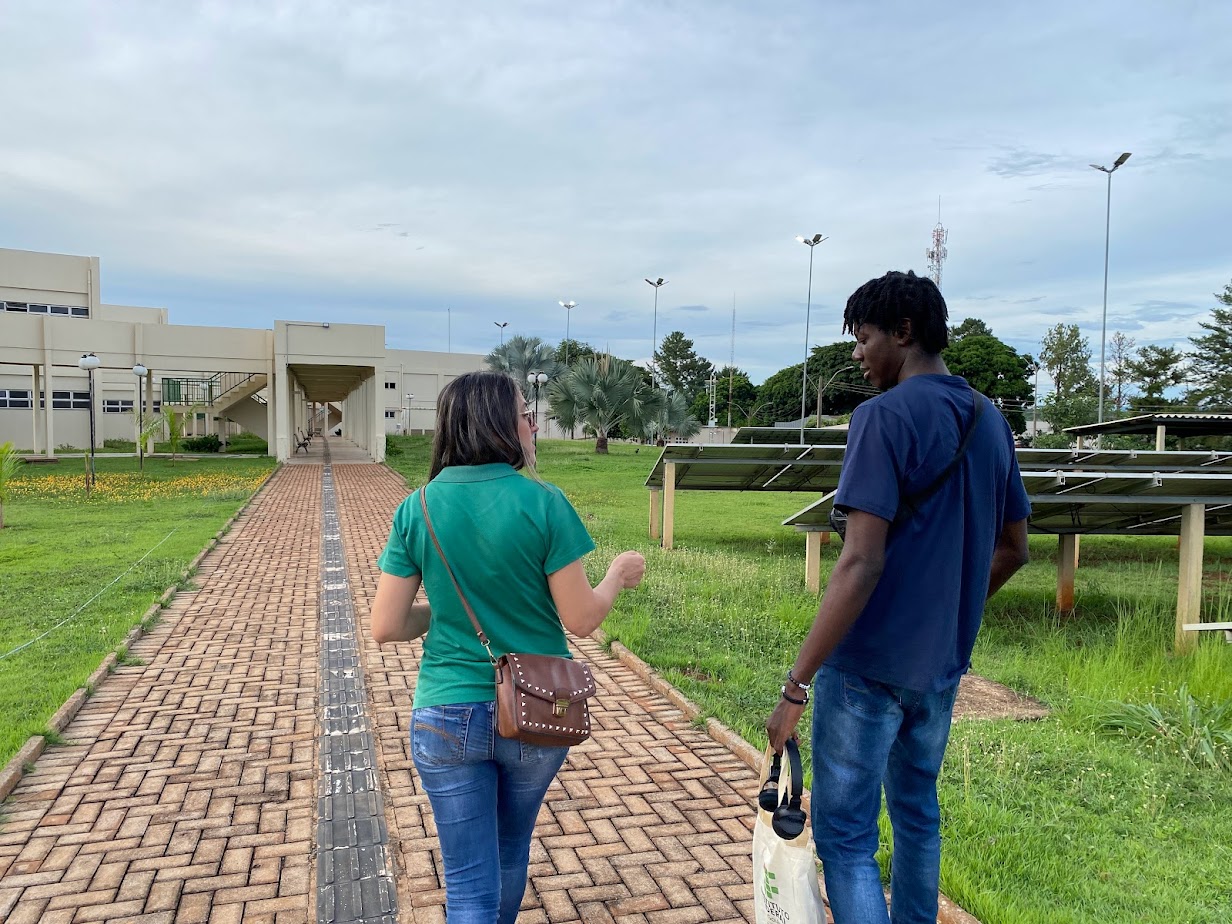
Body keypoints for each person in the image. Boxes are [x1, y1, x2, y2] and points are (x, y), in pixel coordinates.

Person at [765, 270, 1031, 924]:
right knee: (918, 817)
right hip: (939, 668)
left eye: (863, 337)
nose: (857, 353)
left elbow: (859, 561)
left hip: (867, 667)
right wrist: (952, 613)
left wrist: (795, 687)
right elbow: (1015, 548)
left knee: (848, 837)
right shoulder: (989, 420)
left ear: (903, 333)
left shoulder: (881, 418)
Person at [371, 370, 645, 924]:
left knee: (469, 884)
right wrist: (617, 573)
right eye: (525, 412)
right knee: (510, 849)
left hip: (445, 710)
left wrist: (441, 615)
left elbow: (386, 626)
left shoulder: (417, 508)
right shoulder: (543, 503)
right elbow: (581, 618)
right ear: (497, 423)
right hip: (537, 708)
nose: (533, 423)